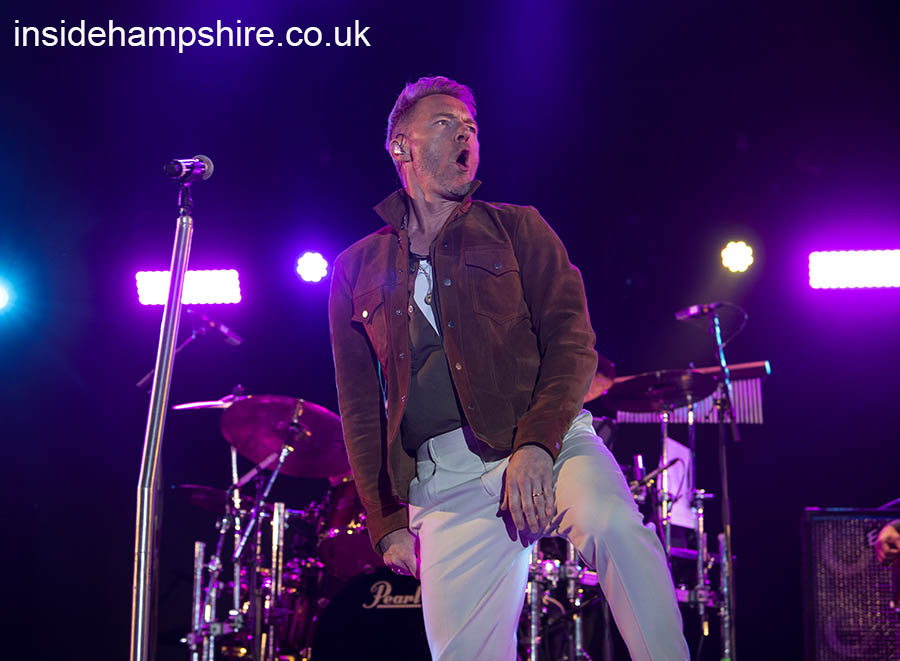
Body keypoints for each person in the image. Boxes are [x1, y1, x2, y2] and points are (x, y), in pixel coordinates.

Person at [328, 75, 689, 660]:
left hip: (548, 440)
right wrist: (385, 516)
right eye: (444, 123)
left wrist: (538, 445)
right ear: (401, 146)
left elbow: (573, 342)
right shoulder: (354, 267)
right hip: (444, 478)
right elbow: (359, 406)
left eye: (470, 127)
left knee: (615, 527)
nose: (464, 134)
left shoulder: (518, 227)